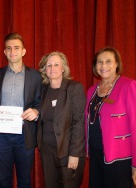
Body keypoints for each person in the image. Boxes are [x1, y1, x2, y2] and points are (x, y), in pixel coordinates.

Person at [0, 32, 42, 187]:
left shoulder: (36, 76)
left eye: (16, 48)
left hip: (24, 136)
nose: (12, 51)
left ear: (23, 51)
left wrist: (36, 112)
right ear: (5, 52)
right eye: (9, 48)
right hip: (1, 137)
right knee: (3, 181)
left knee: (24, 180)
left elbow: (40, 102)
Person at [85, 47, 136, 188]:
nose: (103, 66)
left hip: (120, 158)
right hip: (96, 155)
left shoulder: (129, 86)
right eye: (99, 62)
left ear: (117, 64)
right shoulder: (92, 90)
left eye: (108, 61)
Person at [37, 52, 86, 188]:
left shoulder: (74, 88)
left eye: (56, 64)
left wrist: (74, 154)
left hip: (68, 151)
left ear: (63, 68)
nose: (52, 68)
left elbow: (79, 122)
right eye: (49, 65)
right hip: (47, 151)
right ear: (45, 70)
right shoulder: (43, 90)